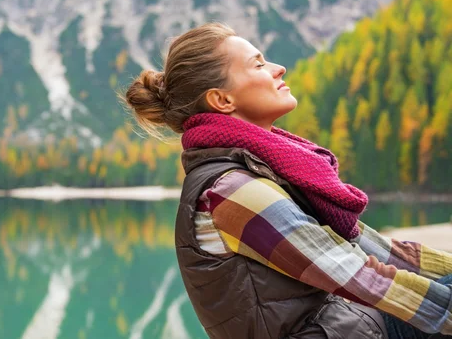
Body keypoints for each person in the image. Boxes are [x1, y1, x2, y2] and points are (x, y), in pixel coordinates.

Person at [123, 22, 452, 339]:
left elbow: (372, 248)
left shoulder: (263, 170)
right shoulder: (231, 190)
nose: (279, 68)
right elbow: (353, 272)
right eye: (258, 64)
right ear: (222, 100)